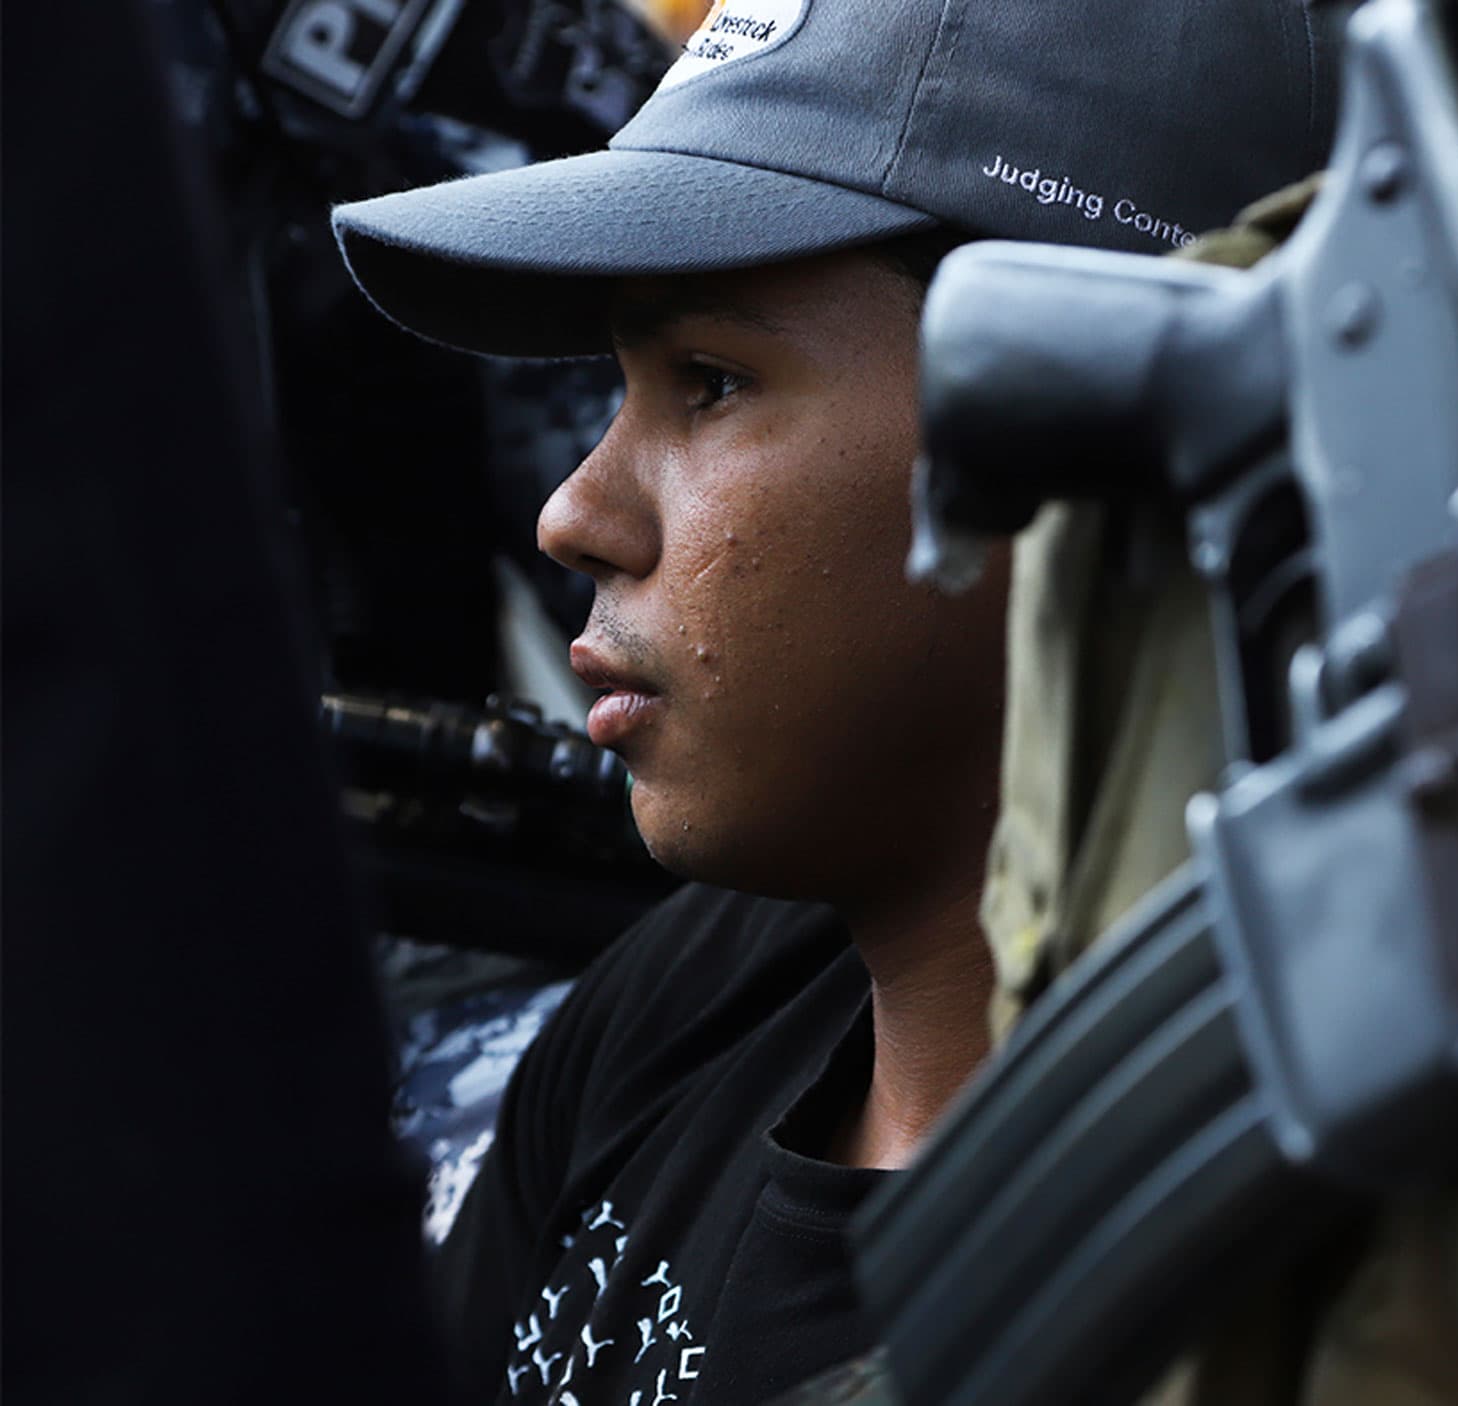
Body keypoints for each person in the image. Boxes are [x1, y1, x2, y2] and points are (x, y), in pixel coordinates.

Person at [328, 0, 1338, 1399]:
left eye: (711, 381)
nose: (576, 511)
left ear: (1101, 425)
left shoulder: (1311, 1270)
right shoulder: (683, 1003)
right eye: (623, 389)